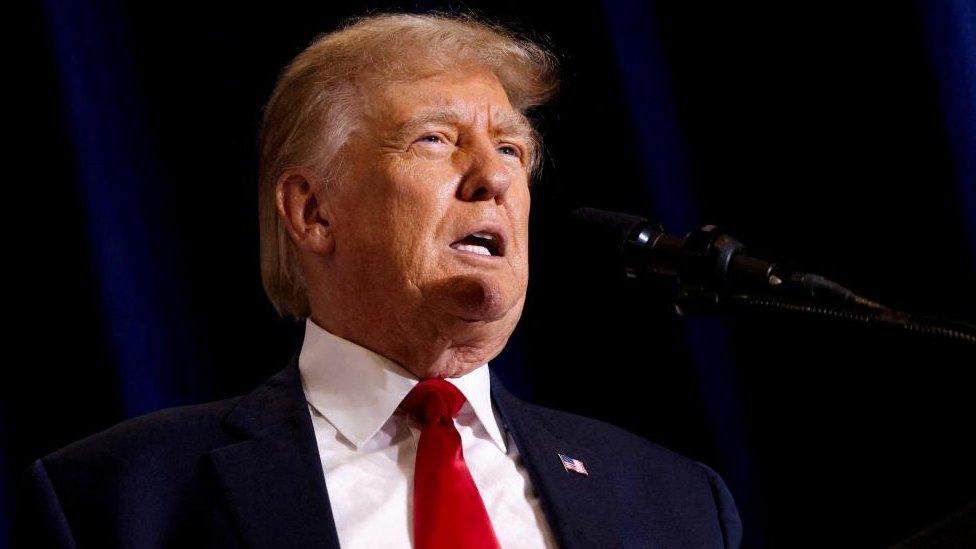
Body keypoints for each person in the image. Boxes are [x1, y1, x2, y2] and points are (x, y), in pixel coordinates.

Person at [14, 12, 742, 548]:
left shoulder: (675, 504)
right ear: (314, 211)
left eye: (513, 149)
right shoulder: (118, 500)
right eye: (435, 139)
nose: (493, 176)